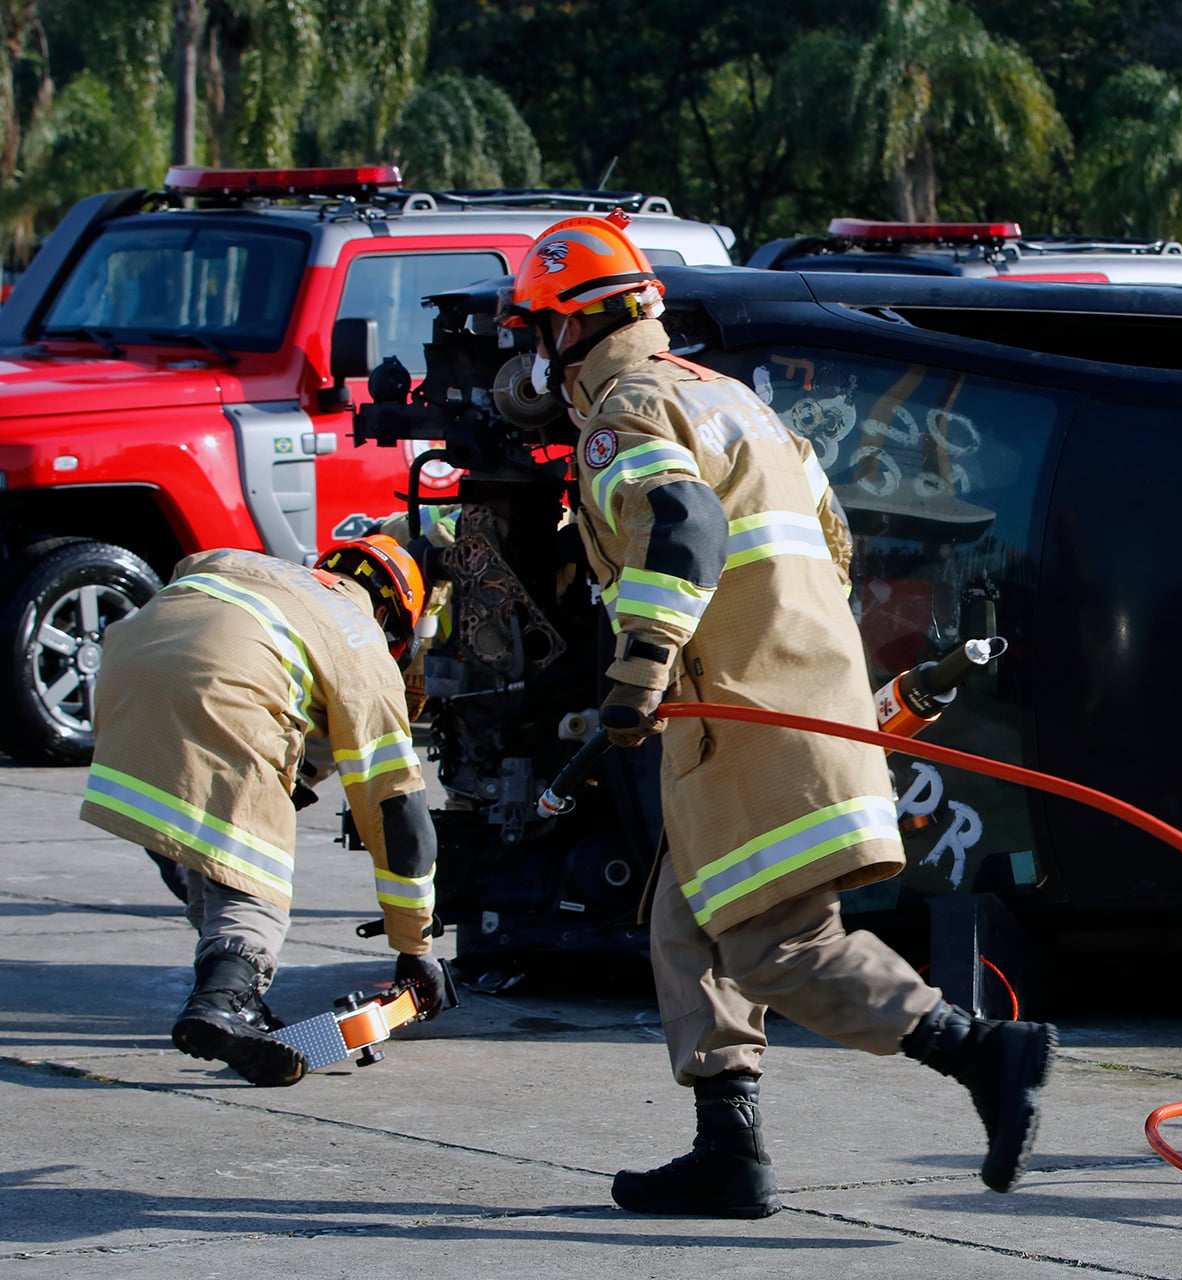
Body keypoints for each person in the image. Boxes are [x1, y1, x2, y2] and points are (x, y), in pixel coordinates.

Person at [505, 214, 1056, 1217]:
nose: (528, 361)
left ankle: (985, 1052)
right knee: (686, 917)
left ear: (565, 331)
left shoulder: (624, 412)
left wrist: (641, 665)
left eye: (532, 334)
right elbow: (832, 554)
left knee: (775, 944)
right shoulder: (737, 405)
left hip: (745, 716)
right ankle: (730, 1150)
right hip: (775, 707)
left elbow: (685, 526)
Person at [78, 538, 448, 1087]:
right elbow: (397, 809)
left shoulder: (244, 563)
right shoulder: (361, 641)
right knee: (254, 887)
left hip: (122, 680)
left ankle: (233, 990)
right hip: (220, 701)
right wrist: (415, 943)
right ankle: (222, 1003)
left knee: (211, 854)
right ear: (395, 620)